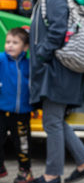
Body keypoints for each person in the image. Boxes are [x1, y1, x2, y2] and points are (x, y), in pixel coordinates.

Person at [23, 0, 84, 183]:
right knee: (54, 120)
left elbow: (56, 32)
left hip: (57, 69)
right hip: (58, 69)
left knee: (52, 122)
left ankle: (52, 174)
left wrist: (42, 55)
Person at [0, 28, 34, 183]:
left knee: (23, 145)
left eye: (15, 43)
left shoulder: (29, 65)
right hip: (2, 111)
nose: (10, 46)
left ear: (25, 47)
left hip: (22, 113)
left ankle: (25, 171)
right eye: (8, 42)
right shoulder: (1, 59)